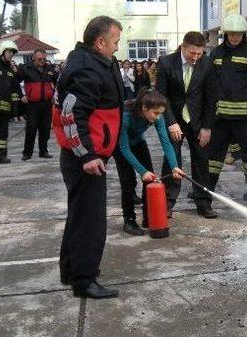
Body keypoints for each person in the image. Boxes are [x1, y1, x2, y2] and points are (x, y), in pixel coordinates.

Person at [53, 16, 124, 299]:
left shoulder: (92, 62)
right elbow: (72, 114)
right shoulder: (86, 68)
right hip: (85, 160)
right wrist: (87, 155)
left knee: (79, 215)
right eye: (115, 42)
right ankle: (84, 281)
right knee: (91, 221)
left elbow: (101, 104)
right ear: (100, 41)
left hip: (85, 154)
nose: (117, 48)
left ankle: (70, 270)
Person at [156, 31, 218, 218]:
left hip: (198, 121)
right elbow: (161, 95)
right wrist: (171, 122)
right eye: (192, 53)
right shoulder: (167, 63)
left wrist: (207, 127)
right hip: (175, 119)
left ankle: (203, 203)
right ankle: (168, 202)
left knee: (201, 161)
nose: (196, 57)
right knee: (172, 161)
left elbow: (211, 97)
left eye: (199, 53)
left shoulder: (206, 64)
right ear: (183, 47)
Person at [208, 13, 247, 201]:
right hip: (220, 116)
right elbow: (209, 83)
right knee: (214, 153)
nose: (234, 37)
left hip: (245, 116)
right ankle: (207, 189)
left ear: (244, 34)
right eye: (231, 33)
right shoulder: (216, 53)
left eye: (238, 34)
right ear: (225, 34)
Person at [115, 89, 186, 235]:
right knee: (128, 182)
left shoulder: (157, 117)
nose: (158, 117)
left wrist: (174, 167)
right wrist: (141, 171)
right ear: (144, 108)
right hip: (120, 146)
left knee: (150, 179)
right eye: (156, 113)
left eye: (161, 113)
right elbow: (125, 149)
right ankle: (129, 220)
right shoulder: (125, 116)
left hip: (138, 140)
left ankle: (148, 218)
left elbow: (166, 142)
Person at [18, 49, 58, 161]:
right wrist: (21, 95)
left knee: (45, 129)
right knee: (31, 129)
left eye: (44, 59)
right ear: (33, 58)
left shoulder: (50, 70)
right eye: (39, 59)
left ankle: (43, 151)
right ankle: (27, 153)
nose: (42, 61)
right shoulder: (26, 69)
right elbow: (14, 82)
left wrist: (55, 95)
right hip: (32, 105)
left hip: (46, 104)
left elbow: (58, 83)